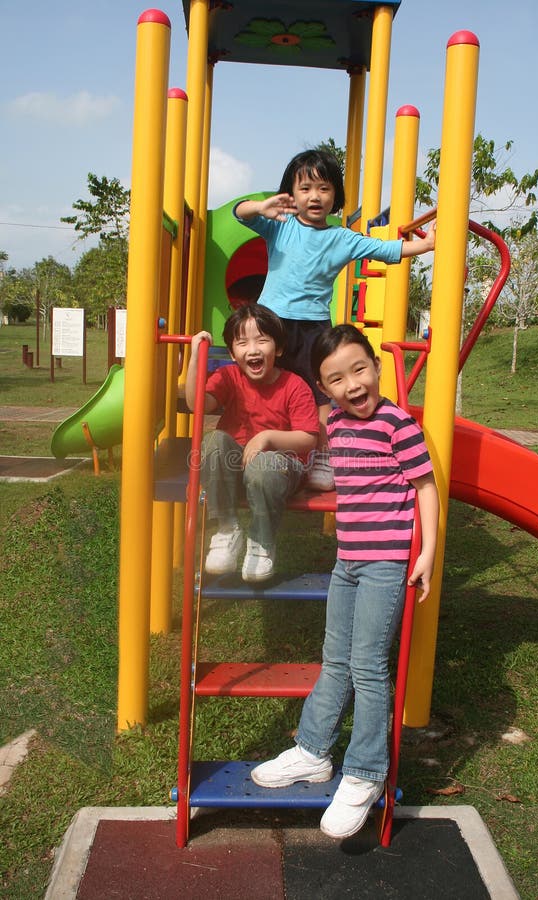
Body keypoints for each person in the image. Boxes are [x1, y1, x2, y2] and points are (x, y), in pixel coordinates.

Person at [251, 324, 440, 839]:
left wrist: (425, 552)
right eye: (336, 378)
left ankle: (364, 773)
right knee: (335, 659)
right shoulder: (336, 423)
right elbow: (340, 470)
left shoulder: (398, 422)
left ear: (377, 366)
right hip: (348, 562)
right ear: (324, 388)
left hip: (384, 565)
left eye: (359, 369)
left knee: (369, 666)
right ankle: (313, 752)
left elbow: (425, 486)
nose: (352, 384)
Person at [234, 149, 435, 491]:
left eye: (324, 189)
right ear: (291, 194)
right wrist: (259, 206)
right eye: (306, 188)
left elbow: (384, 250)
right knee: (262, 384)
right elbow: (241, 213)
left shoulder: (341, 237)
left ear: (336, 195)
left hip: (313, 326)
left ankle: (321, 455)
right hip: (272, 323)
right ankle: (246, 444)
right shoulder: (280, 227)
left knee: (321, 395)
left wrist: (427, 245)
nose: (315, 196)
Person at [185, 304, 319, 582]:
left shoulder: (294, 386)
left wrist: (266, 437)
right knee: (213, 442)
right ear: (233, 353)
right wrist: (196, 355)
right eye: (242, 342)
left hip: (280, 466)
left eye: (262, 340)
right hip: (236, 466)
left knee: (266, 464)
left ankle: (261, 541)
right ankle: (227, 529)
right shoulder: (228, 377)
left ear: (278, 348)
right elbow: (196, 404)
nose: (253, 349)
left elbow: (308, 438)